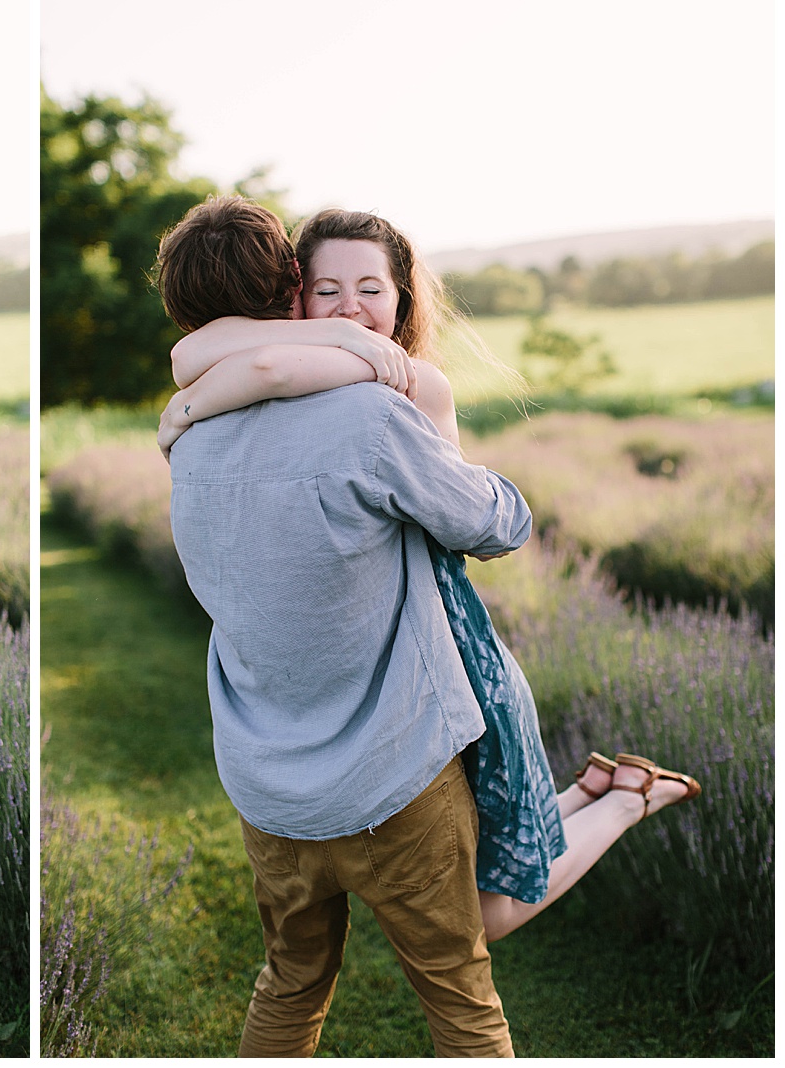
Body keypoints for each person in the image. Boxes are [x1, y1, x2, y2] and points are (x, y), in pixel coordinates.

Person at [155, 197, 698, 1057]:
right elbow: (497, 527)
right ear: (292, 288)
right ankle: (619, 797)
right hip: (393, 775)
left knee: (289, 986)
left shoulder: (189, 437)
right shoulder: (374, 414)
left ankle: (611, 796)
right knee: (460, 997)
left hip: (268, 786)